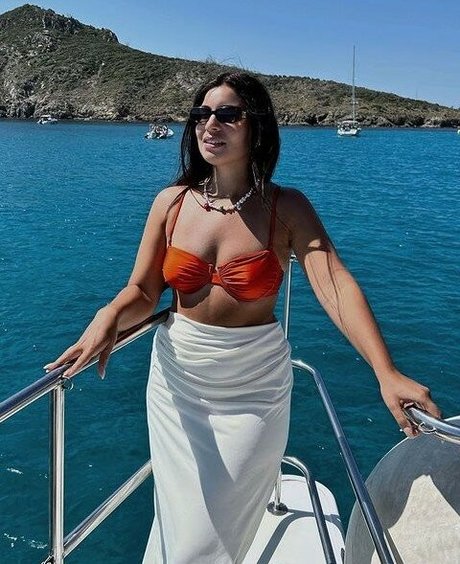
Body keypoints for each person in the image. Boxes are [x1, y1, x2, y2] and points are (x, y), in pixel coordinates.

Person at [44, 71, 441, 563]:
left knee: (211, 536)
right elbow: (144, 290)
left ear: (257, 127)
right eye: (201, 114)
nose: (210, 125)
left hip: (253, 388)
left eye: (228, 114)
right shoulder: (171, 203)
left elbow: (334, 285)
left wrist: (386, 371)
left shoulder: (285, 208)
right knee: (178, 520)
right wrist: (110, 314)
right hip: (176, 383)